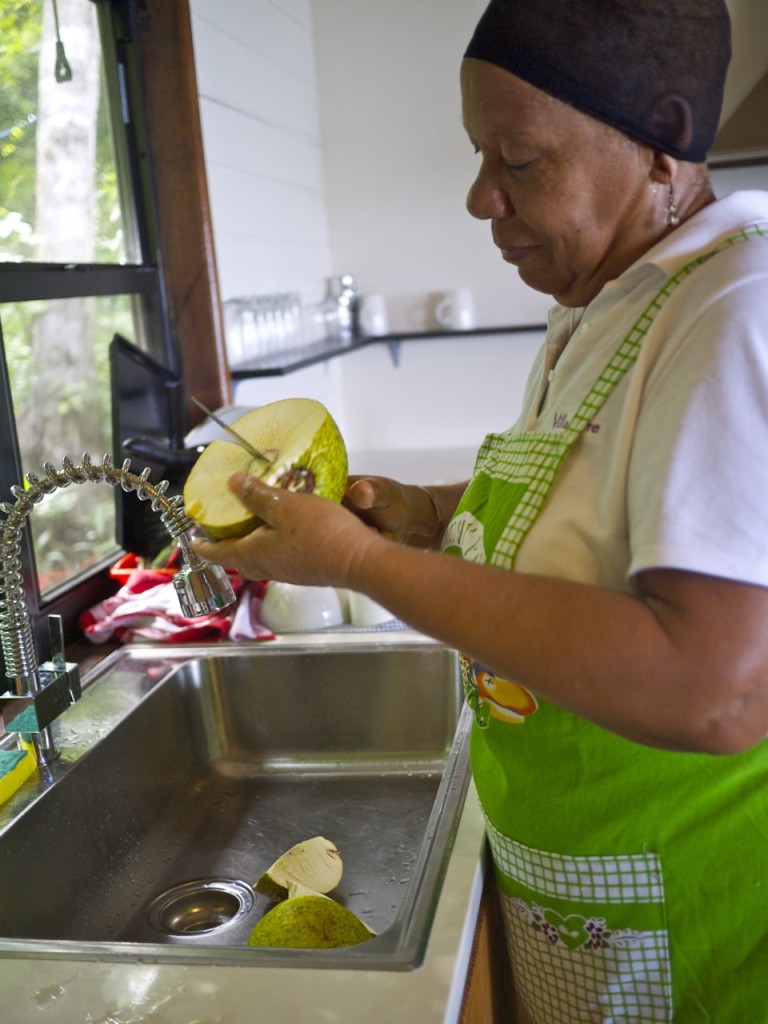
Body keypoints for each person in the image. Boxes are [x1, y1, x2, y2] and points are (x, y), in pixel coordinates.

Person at [195, 1, 768, 1019]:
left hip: (698, 916)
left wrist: (360, 566)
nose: (479, 196)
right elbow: (603, 504)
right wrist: (427, 512)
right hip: (595, 890)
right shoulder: (608, 301)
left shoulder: (730, 312)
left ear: (662, 145)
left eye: (520, 158)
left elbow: (716, 689)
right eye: (477, 152)